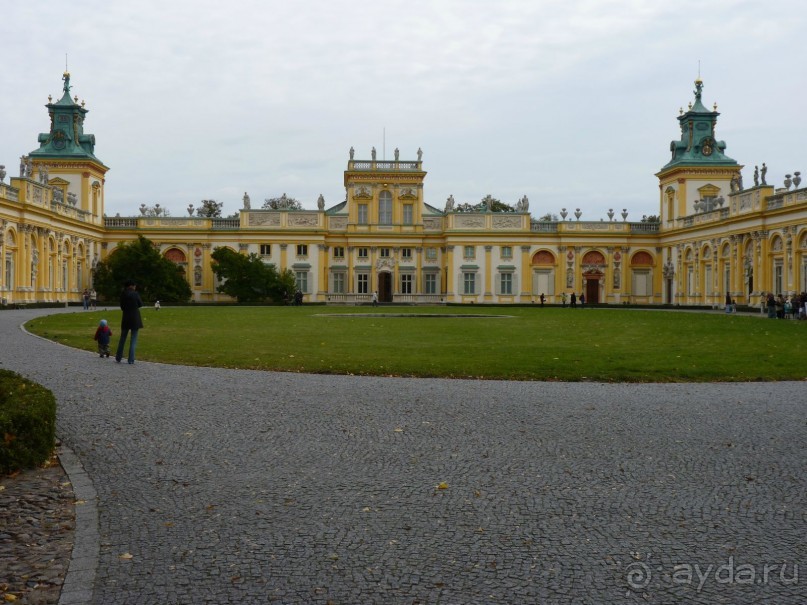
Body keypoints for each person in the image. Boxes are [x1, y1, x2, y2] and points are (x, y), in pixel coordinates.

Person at [115, 280, 143, 364]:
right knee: (133, 339)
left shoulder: (123, 294)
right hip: (135, 318)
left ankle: (118, 357)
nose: (135, 287)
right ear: (131, 286)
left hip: (126, 317)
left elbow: (122, 307)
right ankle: (131, 359)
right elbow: (140, 304)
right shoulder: (135, 294)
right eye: (134, 286)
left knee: (122, 338)